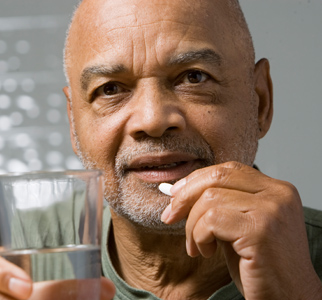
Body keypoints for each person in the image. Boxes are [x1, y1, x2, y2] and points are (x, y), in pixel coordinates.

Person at [1, 0, 322, 299]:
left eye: (194, 78)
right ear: (73, 124)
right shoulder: (14, 254)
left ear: (260, 103)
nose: (153, 120)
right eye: (110, 89)